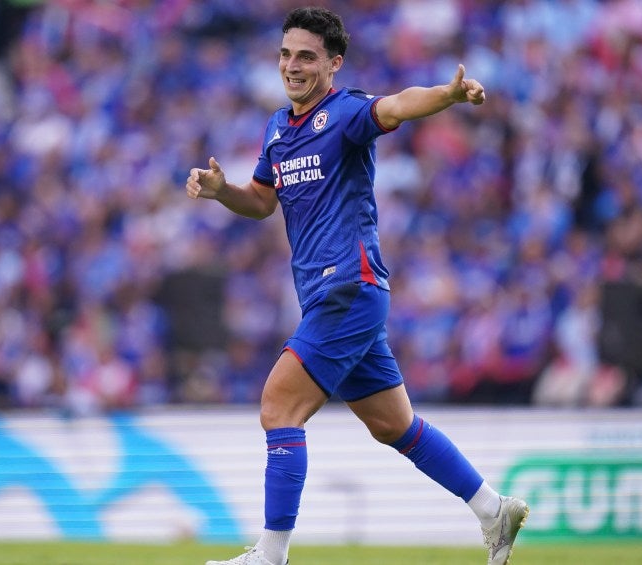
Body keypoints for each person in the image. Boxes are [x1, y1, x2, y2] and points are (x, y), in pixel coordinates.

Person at [185, 7, 528, 565]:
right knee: (394, 425)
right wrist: (223, 190)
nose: (292, 66)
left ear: (334, 64)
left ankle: (270, 555)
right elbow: (262, 201)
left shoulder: (344, 113)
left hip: (349, 286)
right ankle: (494, 510)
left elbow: (395, 105)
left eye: (306, 57)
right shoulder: (278, 128)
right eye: (285, 54)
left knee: (279, 406)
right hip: (333, 297)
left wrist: (446, 95)